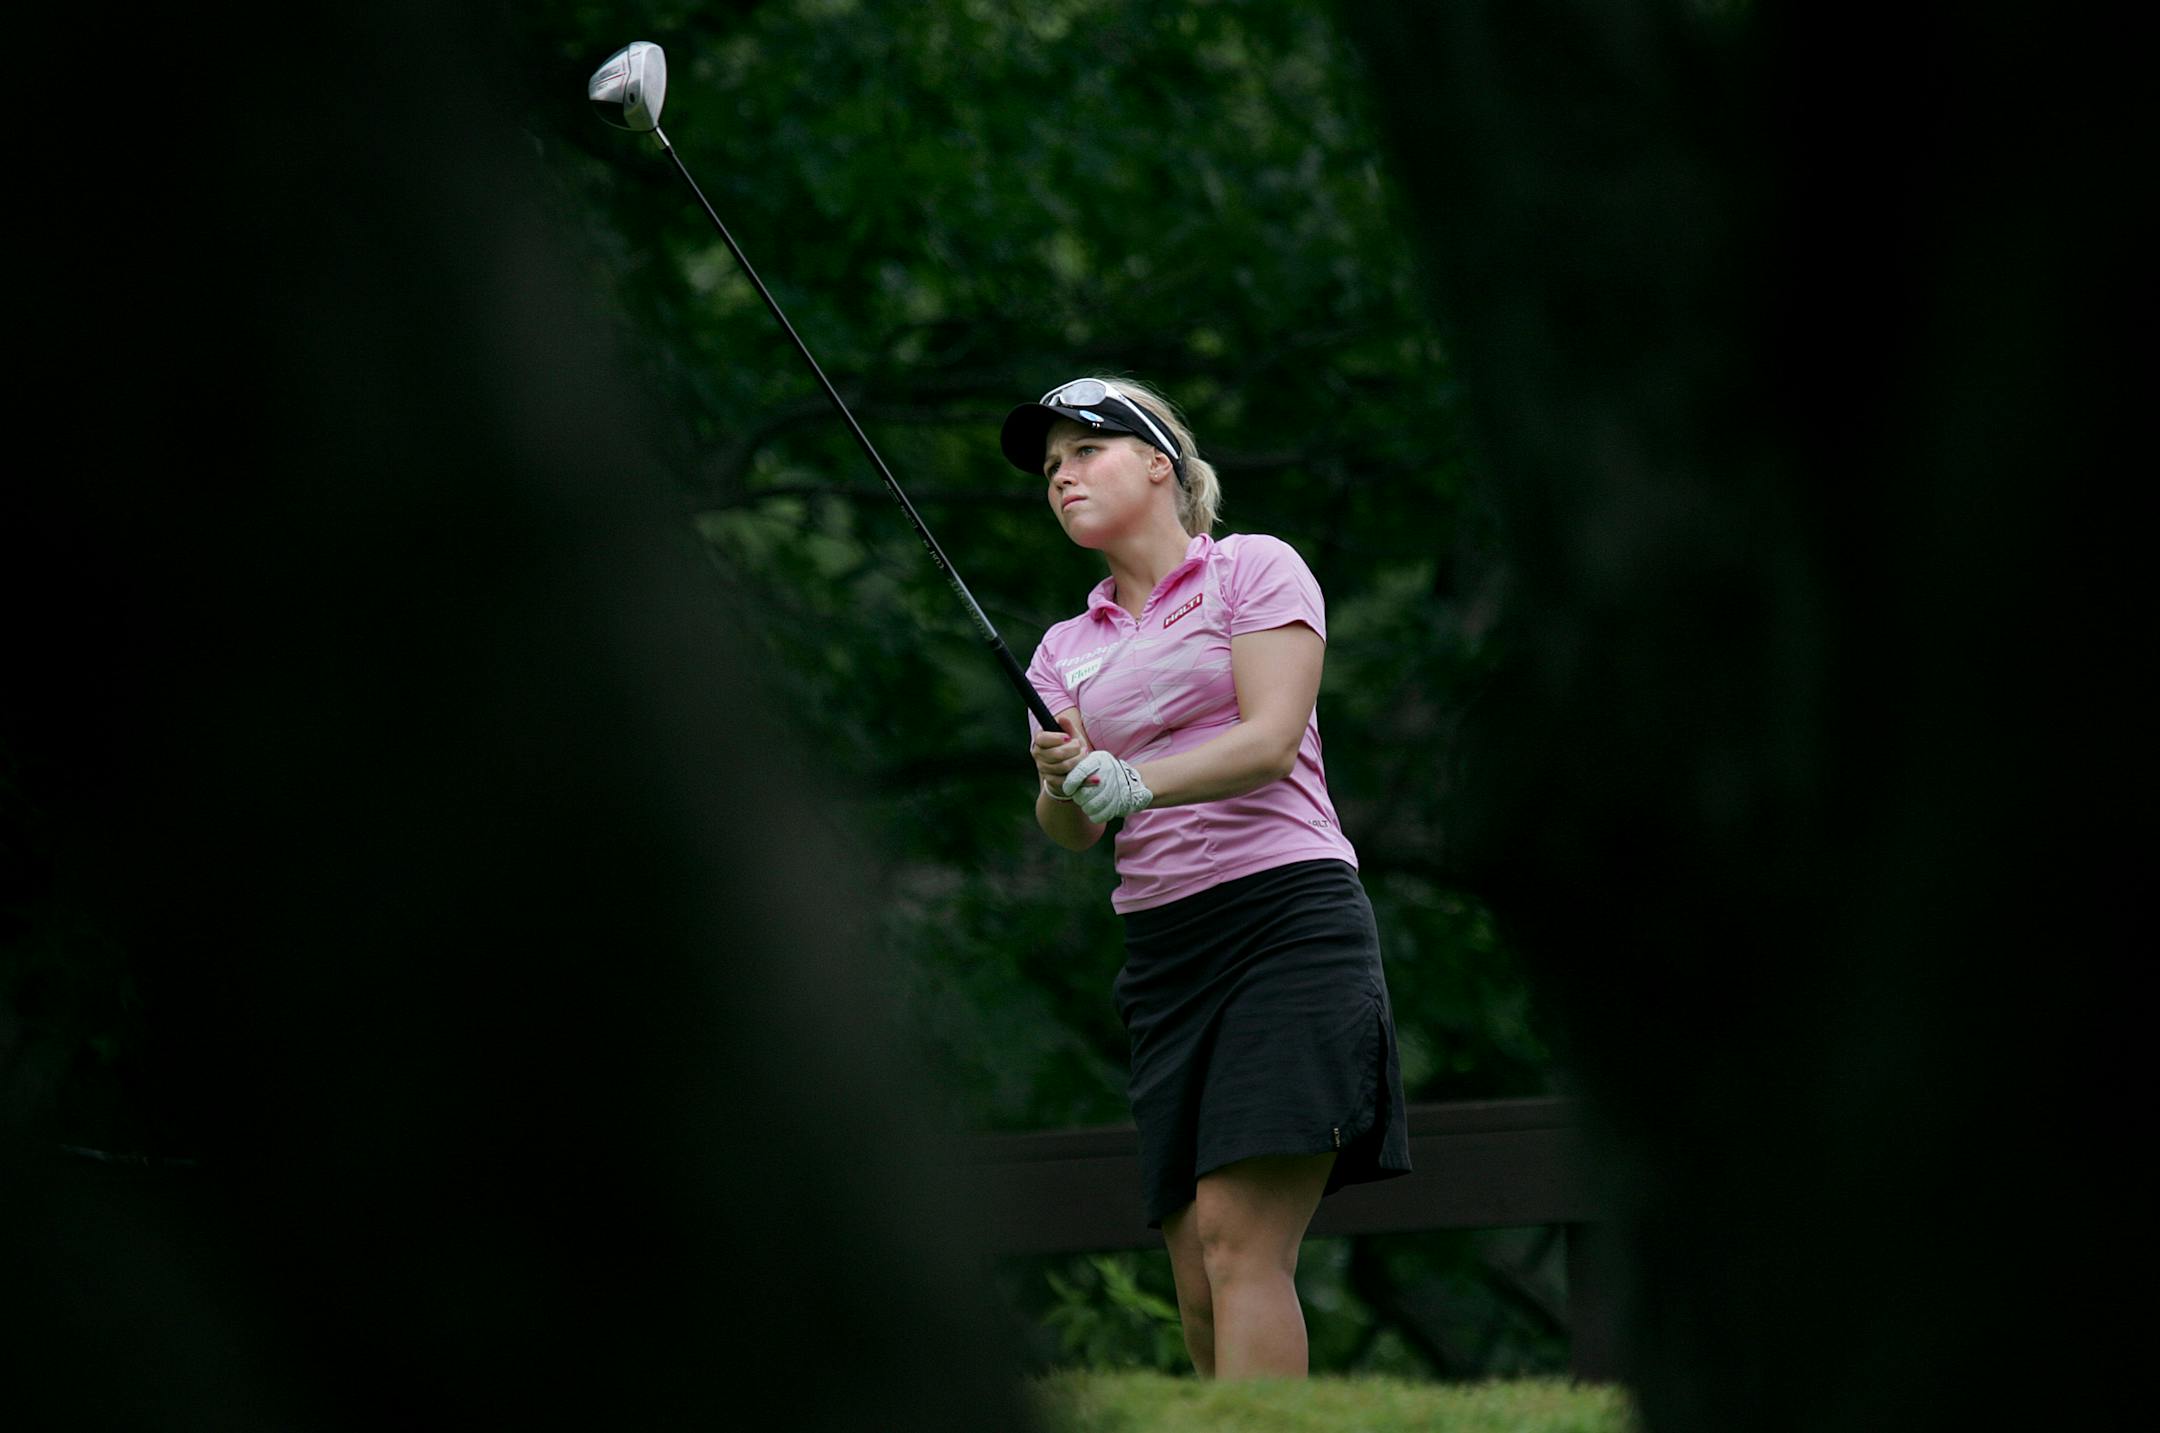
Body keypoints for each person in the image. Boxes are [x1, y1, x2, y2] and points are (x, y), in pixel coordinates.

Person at [999, 376, 1412, 1380]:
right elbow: (1071, 832)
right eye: (1051, 468)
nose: (1062, 477)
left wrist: (1130, 779)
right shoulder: (1064, 651)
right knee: (1195, 1272)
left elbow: (1271, 740)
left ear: (1159, 463)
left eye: (1085, 451)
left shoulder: (1252, 571)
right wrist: (1062, 782)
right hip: (1167, 952)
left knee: (1238, 1238)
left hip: (1287, 923)